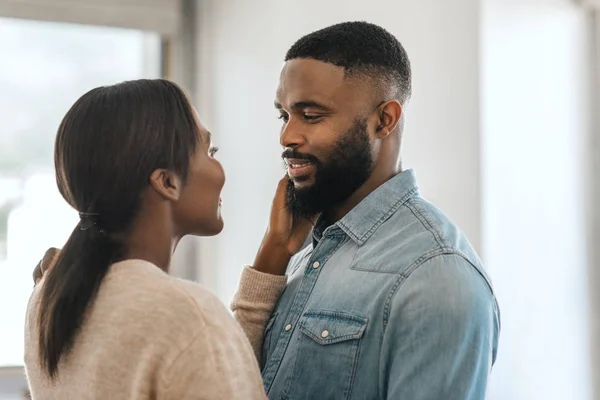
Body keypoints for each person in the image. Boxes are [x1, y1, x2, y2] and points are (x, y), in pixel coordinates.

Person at [230, 21, 500, 399]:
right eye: (284, 115)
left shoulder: (438, 276)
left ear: (384, 120)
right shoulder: (303, 250)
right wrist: (271, 258)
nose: (286, 137)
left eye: (311, 115)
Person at [25, 79, 312, 400]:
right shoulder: (185, 314)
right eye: (209, 151)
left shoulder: (46, 301)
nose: (219, 167)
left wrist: (273, 252)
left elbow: (197, 368)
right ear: (167, 182)